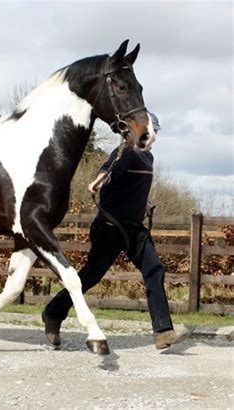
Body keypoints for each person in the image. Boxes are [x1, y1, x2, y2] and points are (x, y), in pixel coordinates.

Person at [42, 113, 189, 350]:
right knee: (91, 275)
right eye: (154, 132)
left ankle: (163, 332)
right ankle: (53, 312)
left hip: (134, 229)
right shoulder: (126, 153)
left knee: (155, 271)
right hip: (111, 227)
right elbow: (109, 168)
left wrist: (146, 202)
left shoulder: (147, 158)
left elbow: (131, 187)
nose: (155, 137)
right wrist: (98, 181)